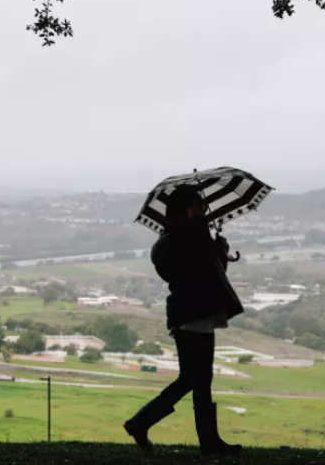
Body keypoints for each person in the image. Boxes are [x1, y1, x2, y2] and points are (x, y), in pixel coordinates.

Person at [123, 184, 243, 455]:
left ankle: (204, 440)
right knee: (194, 379)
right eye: (200, 205)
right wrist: (208, 239)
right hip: (191, 316)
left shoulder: (182, 238)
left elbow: (208, 274)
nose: (205, 209)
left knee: (197, 379)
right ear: (189, 210)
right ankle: (142, 423)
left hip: (195, 314)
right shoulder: (182, 238)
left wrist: (219, 252)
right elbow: (192, 273)